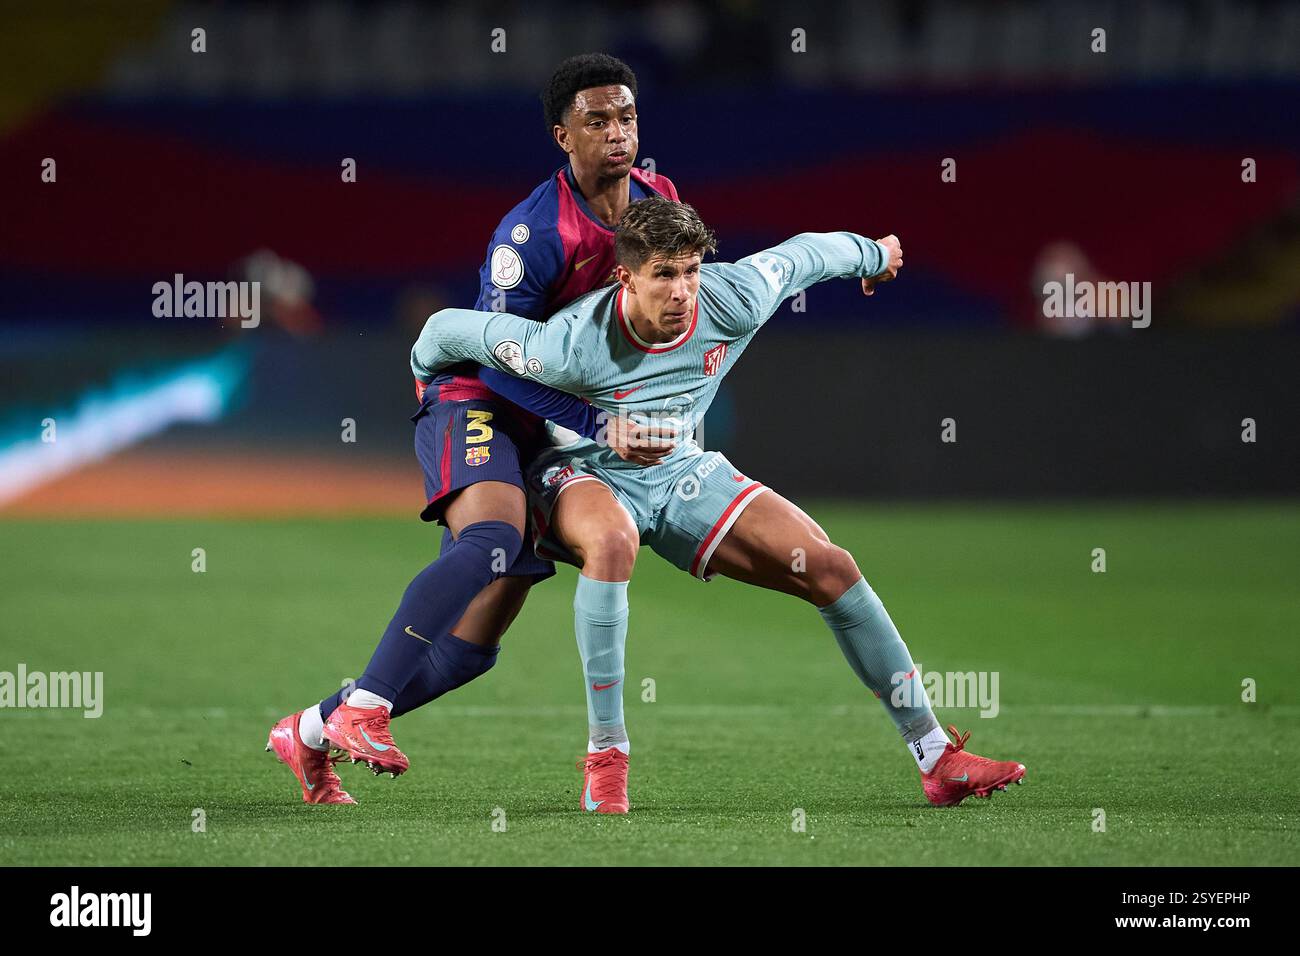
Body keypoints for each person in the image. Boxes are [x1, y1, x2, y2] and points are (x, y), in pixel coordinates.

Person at [410, 196, 1027, 812]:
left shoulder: (732, 297)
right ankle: (607, 755)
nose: (683, 291)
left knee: (831, 567)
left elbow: (807, 254)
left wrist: (874, 253)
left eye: (690, 271)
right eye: (664, 274)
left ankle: (936, 756)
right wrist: (579, 422)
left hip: (680, 468)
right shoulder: (569, 343)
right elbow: (441, 332)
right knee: (612, 543)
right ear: (625, 277)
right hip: (582, 471)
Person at [266, 54, 681, 804]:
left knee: (466, 654)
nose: (617, 134)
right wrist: (596, 422)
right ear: (564, 136)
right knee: (489, 542)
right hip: (479, 399)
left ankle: (308, 732)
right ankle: (366, 708)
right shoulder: (531, 238)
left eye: (626, 117)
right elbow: (496, 363)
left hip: (550, 426)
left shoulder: (659, 203)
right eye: (597, 121)